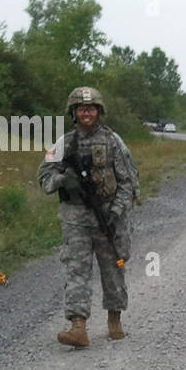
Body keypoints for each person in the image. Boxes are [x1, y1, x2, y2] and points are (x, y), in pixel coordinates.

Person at [38, 87, 139, 347]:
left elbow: (129, 182)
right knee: (76, 271)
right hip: (76, 217)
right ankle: (78, 326)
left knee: (113, 270)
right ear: (74, 112)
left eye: (91, 108)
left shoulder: (113, 141)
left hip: (108, 215)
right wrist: (63, 180)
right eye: (82, 109)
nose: (86, 113)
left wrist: (116, 211)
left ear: (99, 112)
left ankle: (114, 320)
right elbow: (44, 176)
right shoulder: (63, 144)